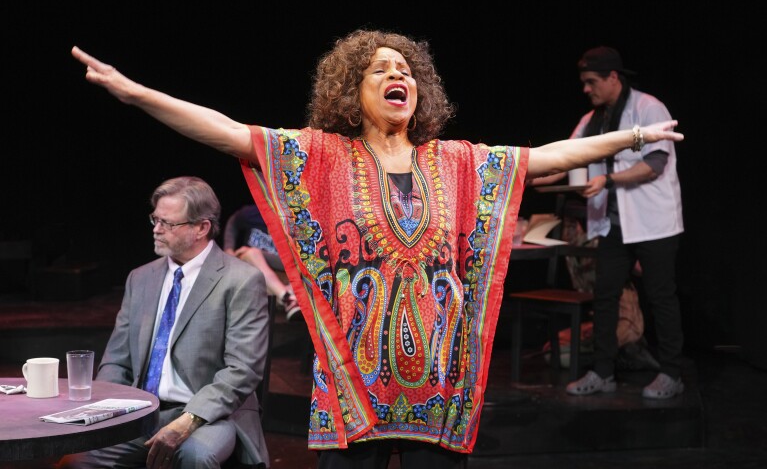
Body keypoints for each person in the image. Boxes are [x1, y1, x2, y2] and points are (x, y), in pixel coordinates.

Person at [71, 31, 682, 467]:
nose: (399, 76)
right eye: (382, 69)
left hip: (440, 393)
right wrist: (136, 93)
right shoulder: (322, 157)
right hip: (353, 389)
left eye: (408, 70)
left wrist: (631, 135)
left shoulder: (458, 163)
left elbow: (545, 157)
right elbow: (229, 132)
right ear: (351, 89)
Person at [58, 177, 270, 469]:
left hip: (212, 414)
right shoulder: (140, 277)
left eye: (168, 224)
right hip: (142, 411)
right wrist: (101, 412)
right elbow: (117, 361)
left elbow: (242, 370)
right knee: (76, 461)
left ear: (201, 228)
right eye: (155, 219)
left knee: (196, 455)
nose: (156, 230)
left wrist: (190, 419)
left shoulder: (240, 280)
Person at [533, 46, 684, 399]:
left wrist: (608, 181)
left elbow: (655, 164)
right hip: (614, 225)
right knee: (604, 297)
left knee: (661, 297)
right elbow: (563, 158)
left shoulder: (648, 108)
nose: (586, 89)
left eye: (591, 81)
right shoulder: (592, 120)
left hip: (654, 223)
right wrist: (524, 176)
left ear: (613, 77)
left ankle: (672, 373)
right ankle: (603, 372)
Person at [223, 204, 302, 321]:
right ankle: (287, 297)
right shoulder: (254, 213)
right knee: (250, 255)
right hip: (248, 265)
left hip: (280, 268)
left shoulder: (295, 220)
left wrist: (258, 253)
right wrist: (228, 249)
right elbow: (234, 222)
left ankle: (285, 296)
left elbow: (296, 260)